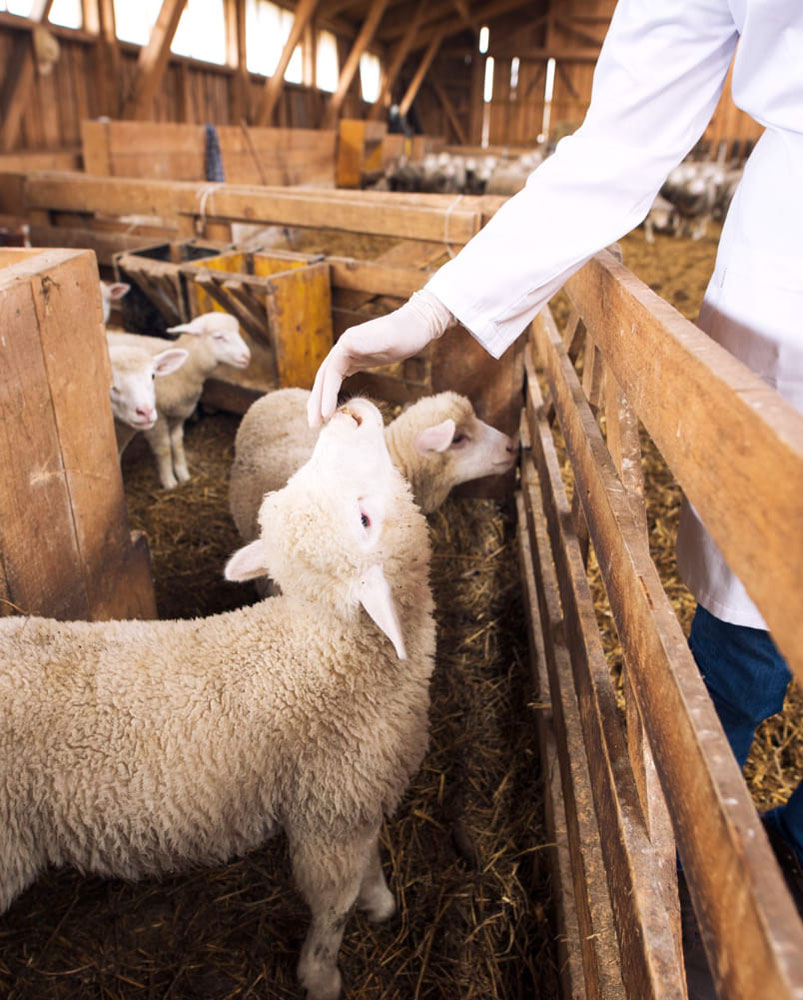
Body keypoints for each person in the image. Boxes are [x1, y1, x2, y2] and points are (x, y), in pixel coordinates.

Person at [307, 0, 803, 994]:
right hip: (784, 278)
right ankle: (702, 875)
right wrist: (434, 305)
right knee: (743, 606)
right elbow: (618, 139)